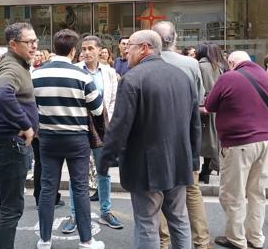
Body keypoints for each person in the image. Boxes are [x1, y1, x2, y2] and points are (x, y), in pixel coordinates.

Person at [98, 30, 201, 249]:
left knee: (146, 222)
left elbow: (119, 125)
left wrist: (105, 159)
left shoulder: (133, 78)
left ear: (144, 47)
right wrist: (193, 158)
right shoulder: (181, 76)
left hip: (145, 166)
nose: (126, 51)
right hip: (179, 161)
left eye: (130, 46)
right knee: (179, 220)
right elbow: (194, 123)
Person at [32, 29, 106, 249]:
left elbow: (30, 107)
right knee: (80, 188)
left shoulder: (36, 75)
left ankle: (45, 240)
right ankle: (86, 240)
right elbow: (98, 108)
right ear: (74, 51)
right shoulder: (82, 76)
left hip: (48, 138)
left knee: (47, 188)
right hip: (77, 139)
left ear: (54, 48)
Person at [205, 51, 268, 249]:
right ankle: (255, 238)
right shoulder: (267, 77)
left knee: (233, 194)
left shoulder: (228, 77)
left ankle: (236, 239)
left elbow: (210, 105)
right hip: (265, 140)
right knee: (257, 192)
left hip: (238, 142)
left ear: (232, 63)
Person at [152, 21, 209, 249]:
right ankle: (201, 240)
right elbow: (199, 99)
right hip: (185, 134)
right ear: (175, 38)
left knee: (161, 190)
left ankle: (163, 241)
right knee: (192, 190)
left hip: (156, 135)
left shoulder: (148, 63)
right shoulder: (191, 64)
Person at [64, 35, 122, 234]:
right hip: (78, 126)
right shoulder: (73, 71)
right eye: (84, 49)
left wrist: (109, 126)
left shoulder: (110, 72)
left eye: (91, 48)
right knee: (76, 173)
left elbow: (113, 101)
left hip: (102, 128)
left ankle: (106, 211)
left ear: (99, 50)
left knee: (103, 171)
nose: (87, 52)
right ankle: (74, 213)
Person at [0, 22, 38, 249]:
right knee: (12, 207)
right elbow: (2, 96)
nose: (35, 46)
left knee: (4, 203)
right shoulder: (11, 68)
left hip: (4, 141)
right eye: (30, 42)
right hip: (10, 143)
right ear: (13, 44)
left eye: (35, 41)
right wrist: (26, 125)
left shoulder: (13, 63)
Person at [196, 42, 227, 184]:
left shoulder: (200, 66)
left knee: (199, 140)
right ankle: (207, 170)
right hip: (215, 107)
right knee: (211, 140)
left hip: (202, 107)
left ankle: (201, 171)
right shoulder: (217, 67)